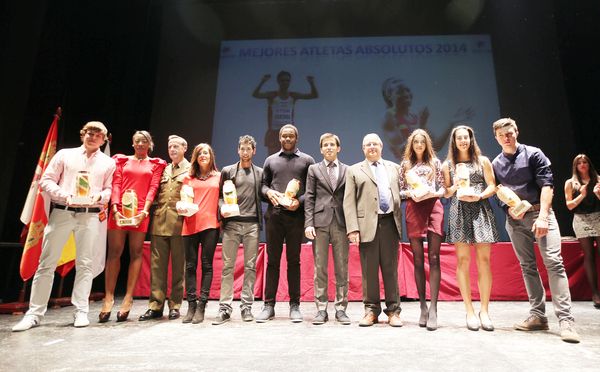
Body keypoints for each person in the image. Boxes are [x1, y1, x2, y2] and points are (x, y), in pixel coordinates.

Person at [13, 121, 116, 332]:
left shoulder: (108, 163)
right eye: (89, 132)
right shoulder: (64, 155)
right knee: (46, 262)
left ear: (104, 139)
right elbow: (46, 180)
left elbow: (108, 190)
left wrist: (100, 196)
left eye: (98, 134)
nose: (93, 136)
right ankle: (34, 313)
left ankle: (81, 310)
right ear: (82, 134)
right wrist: (65, 195)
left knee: (85, 263)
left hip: (90, 215)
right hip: (63, 211)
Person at [491, 117, 580, 343]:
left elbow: (547, 186)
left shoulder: (534, 154)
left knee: (553, 262)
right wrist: (508, 209)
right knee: (527, 266)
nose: (506, 137)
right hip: (515, 220)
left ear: (517, 131)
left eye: (509, 133)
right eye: (502, 135)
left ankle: (566, 320)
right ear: (496, 137)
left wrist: (542, 216)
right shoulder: (495, 164)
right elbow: (499, 192)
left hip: (541, 214)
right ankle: (538, 316)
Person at [100, 131, 166, 323]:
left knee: (136, 252)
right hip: (119, 210)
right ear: (132, 143)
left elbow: (153, 187)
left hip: (140, 212)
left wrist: (144, 211)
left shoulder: (155, 164)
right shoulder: (121, 161)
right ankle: (108, 297)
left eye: (144, 141)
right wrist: (115, 207)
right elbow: (117, 183)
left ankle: (128, 298)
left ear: (149, 144)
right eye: (137, 141)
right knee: (114, 252)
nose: (140, 144)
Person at [256, 124, 315, 323]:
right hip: (274, 217)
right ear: (280, 138)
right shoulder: (270, 160)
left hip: (295, 217)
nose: (288, 139)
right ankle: (268, 305)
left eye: (291, 136)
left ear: (296, 138)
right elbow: (262, 186)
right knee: (272, 261)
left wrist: (299, 202)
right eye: (284, 136)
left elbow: (312, 190)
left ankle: (295, 305)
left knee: (294, 261)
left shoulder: (307, 161)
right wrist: (268, 192)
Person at [442, 125, 498, 331]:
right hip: (459, 212)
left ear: (471, 139)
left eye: (466, 137)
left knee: (484, 260)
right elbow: (446, 194)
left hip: (481, 209)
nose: (463, 141)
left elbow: (492, 185)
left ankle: (485, 311)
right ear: (454, 142)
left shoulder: (483, 161)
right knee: (463, 261)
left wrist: (480, 195)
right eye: (460, 138)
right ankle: (469, 311)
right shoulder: (448, 165)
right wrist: (455, 185)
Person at [344, 133, 403, 327]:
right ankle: (371, 310)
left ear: (381, 146)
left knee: (391, 270)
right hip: (366, 225)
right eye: (368, 144)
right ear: (363, 148)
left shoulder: (394, 168)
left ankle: (393, 311)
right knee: (368, 271)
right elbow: (349, 202)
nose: (372, 147)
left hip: (390, 223)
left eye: (375, 144)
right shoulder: (354, 170)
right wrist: (353, 229)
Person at [212, 135, 264, 325]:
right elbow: (219, 196)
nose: (245, 152)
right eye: (242, 148)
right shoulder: (227, 171)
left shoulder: (259, 173)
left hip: (252, 225)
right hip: (232, 224)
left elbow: (263, 193)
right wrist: (222, 208)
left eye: (248, 149)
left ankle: (246, 307)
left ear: (254, 151)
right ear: (238, 150)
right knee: (228, 267)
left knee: (250, 267)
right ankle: (225, 308)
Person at [138, 135, 190, 321]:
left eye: (176, 146)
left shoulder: (191, 169)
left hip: (179, 224)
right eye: (170, 147)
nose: (172, 150)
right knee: (157, 267)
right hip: (159, 222)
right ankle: (155, 305)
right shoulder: (163, 169)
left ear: (185, 148)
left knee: (178, 267)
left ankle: (175, 305)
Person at [398, 129, 445, 331]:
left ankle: (434, 308)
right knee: (417, 259)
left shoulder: (435, 163)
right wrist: (411, 194)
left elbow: (444, 188)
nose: (419, 145)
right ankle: (423, 307)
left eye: (422, 141)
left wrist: (433, 192)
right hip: (414, 208)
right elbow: (400, 191)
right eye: (415, 142)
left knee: (434, 257)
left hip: (434, 206)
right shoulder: (405, 165)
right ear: (411, 144)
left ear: (427, 144)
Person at [304, 133, 351, 325]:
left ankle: (341, 309)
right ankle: (321, 308)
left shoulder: (348, 170)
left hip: (341, 223)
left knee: (342, 267)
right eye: (326, 145)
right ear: (321, 149)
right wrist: (308, 223)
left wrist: (353, 227)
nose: (329, 147)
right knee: (320, 268)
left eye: (332, 144)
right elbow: (309, 197)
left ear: (339, 148)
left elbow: (351, 200)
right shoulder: (314, 169)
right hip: (320, 222)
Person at [381, 77, 472, 161]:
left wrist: (450, 123)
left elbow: (436, 146)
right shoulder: (388, 117)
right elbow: (401, 152)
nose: (406, 94)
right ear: (389, 95)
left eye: (407, 90)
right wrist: (421, 126)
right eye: (400, 91)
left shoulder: (414, 116)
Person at [179, 143, 221, 324]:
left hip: (211, 225)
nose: (203, 155)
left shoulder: (219, 177)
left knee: (207, 265)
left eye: (206, 153)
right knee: (190, 266)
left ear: (211, 157)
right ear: (195, 157)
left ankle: (202, 305)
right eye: (200, 153)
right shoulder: (187, 178)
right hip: (190, 224)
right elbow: (182, 201)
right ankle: (191, 305)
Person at [564, 154, 600, 308]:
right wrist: (582, 195)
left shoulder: (598, 180)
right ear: (575, 166)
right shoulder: (571, 183)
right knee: (589, 256)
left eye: (585, 162)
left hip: (598, 217)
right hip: (581, 219)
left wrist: (598, 194)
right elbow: (570, 205)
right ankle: (595, 293)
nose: (583, 164)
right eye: (579, 163)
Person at [252, 71, 318, 155]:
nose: (285, 82)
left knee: (288, 158)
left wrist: (311, 83)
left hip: (288, 132)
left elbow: (313, 95)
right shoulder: (272, 95)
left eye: (287, 80)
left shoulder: (292, 95)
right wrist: (263, 81)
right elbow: (256, 94)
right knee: (272, 158)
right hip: (274, 131)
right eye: (282, 80)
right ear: (278, 81)